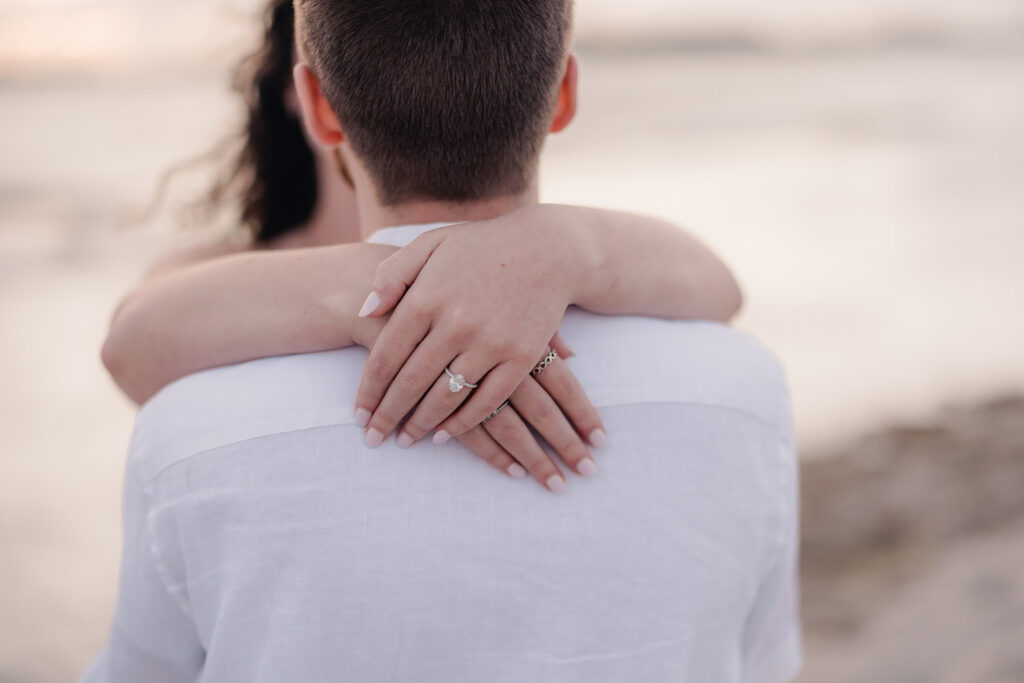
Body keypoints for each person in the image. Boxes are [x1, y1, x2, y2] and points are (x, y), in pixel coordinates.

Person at [84, 1, 800, 682]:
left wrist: (559, 248)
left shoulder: (187, 431)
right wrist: (393, 290)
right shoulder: (745, 392)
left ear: (317, 105)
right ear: (564, 93)